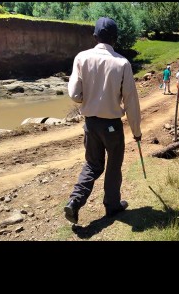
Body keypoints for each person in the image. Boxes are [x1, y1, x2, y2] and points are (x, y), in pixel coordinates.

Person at [65, 17, 142, 224]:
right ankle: (112, 206)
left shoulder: (81, 58)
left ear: (95, 36)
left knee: (92, 164)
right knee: (113, 166)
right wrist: (136, 131)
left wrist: (85, 98)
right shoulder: (122, 63)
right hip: (112, 126)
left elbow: (73, 94)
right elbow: (131, 101)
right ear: (115, 39)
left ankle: (74, 201)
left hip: (90, 124)